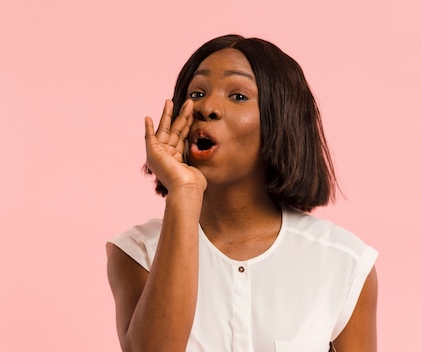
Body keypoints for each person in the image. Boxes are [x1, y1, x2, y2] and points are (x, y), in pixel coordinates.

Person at [106, 34, 378, 352]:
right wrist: (184, 191)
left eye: (237, 96)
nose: (207, 107)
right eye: (196, 93)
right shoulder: (138, 253)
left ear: (281, 121)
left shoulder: (343, 262)